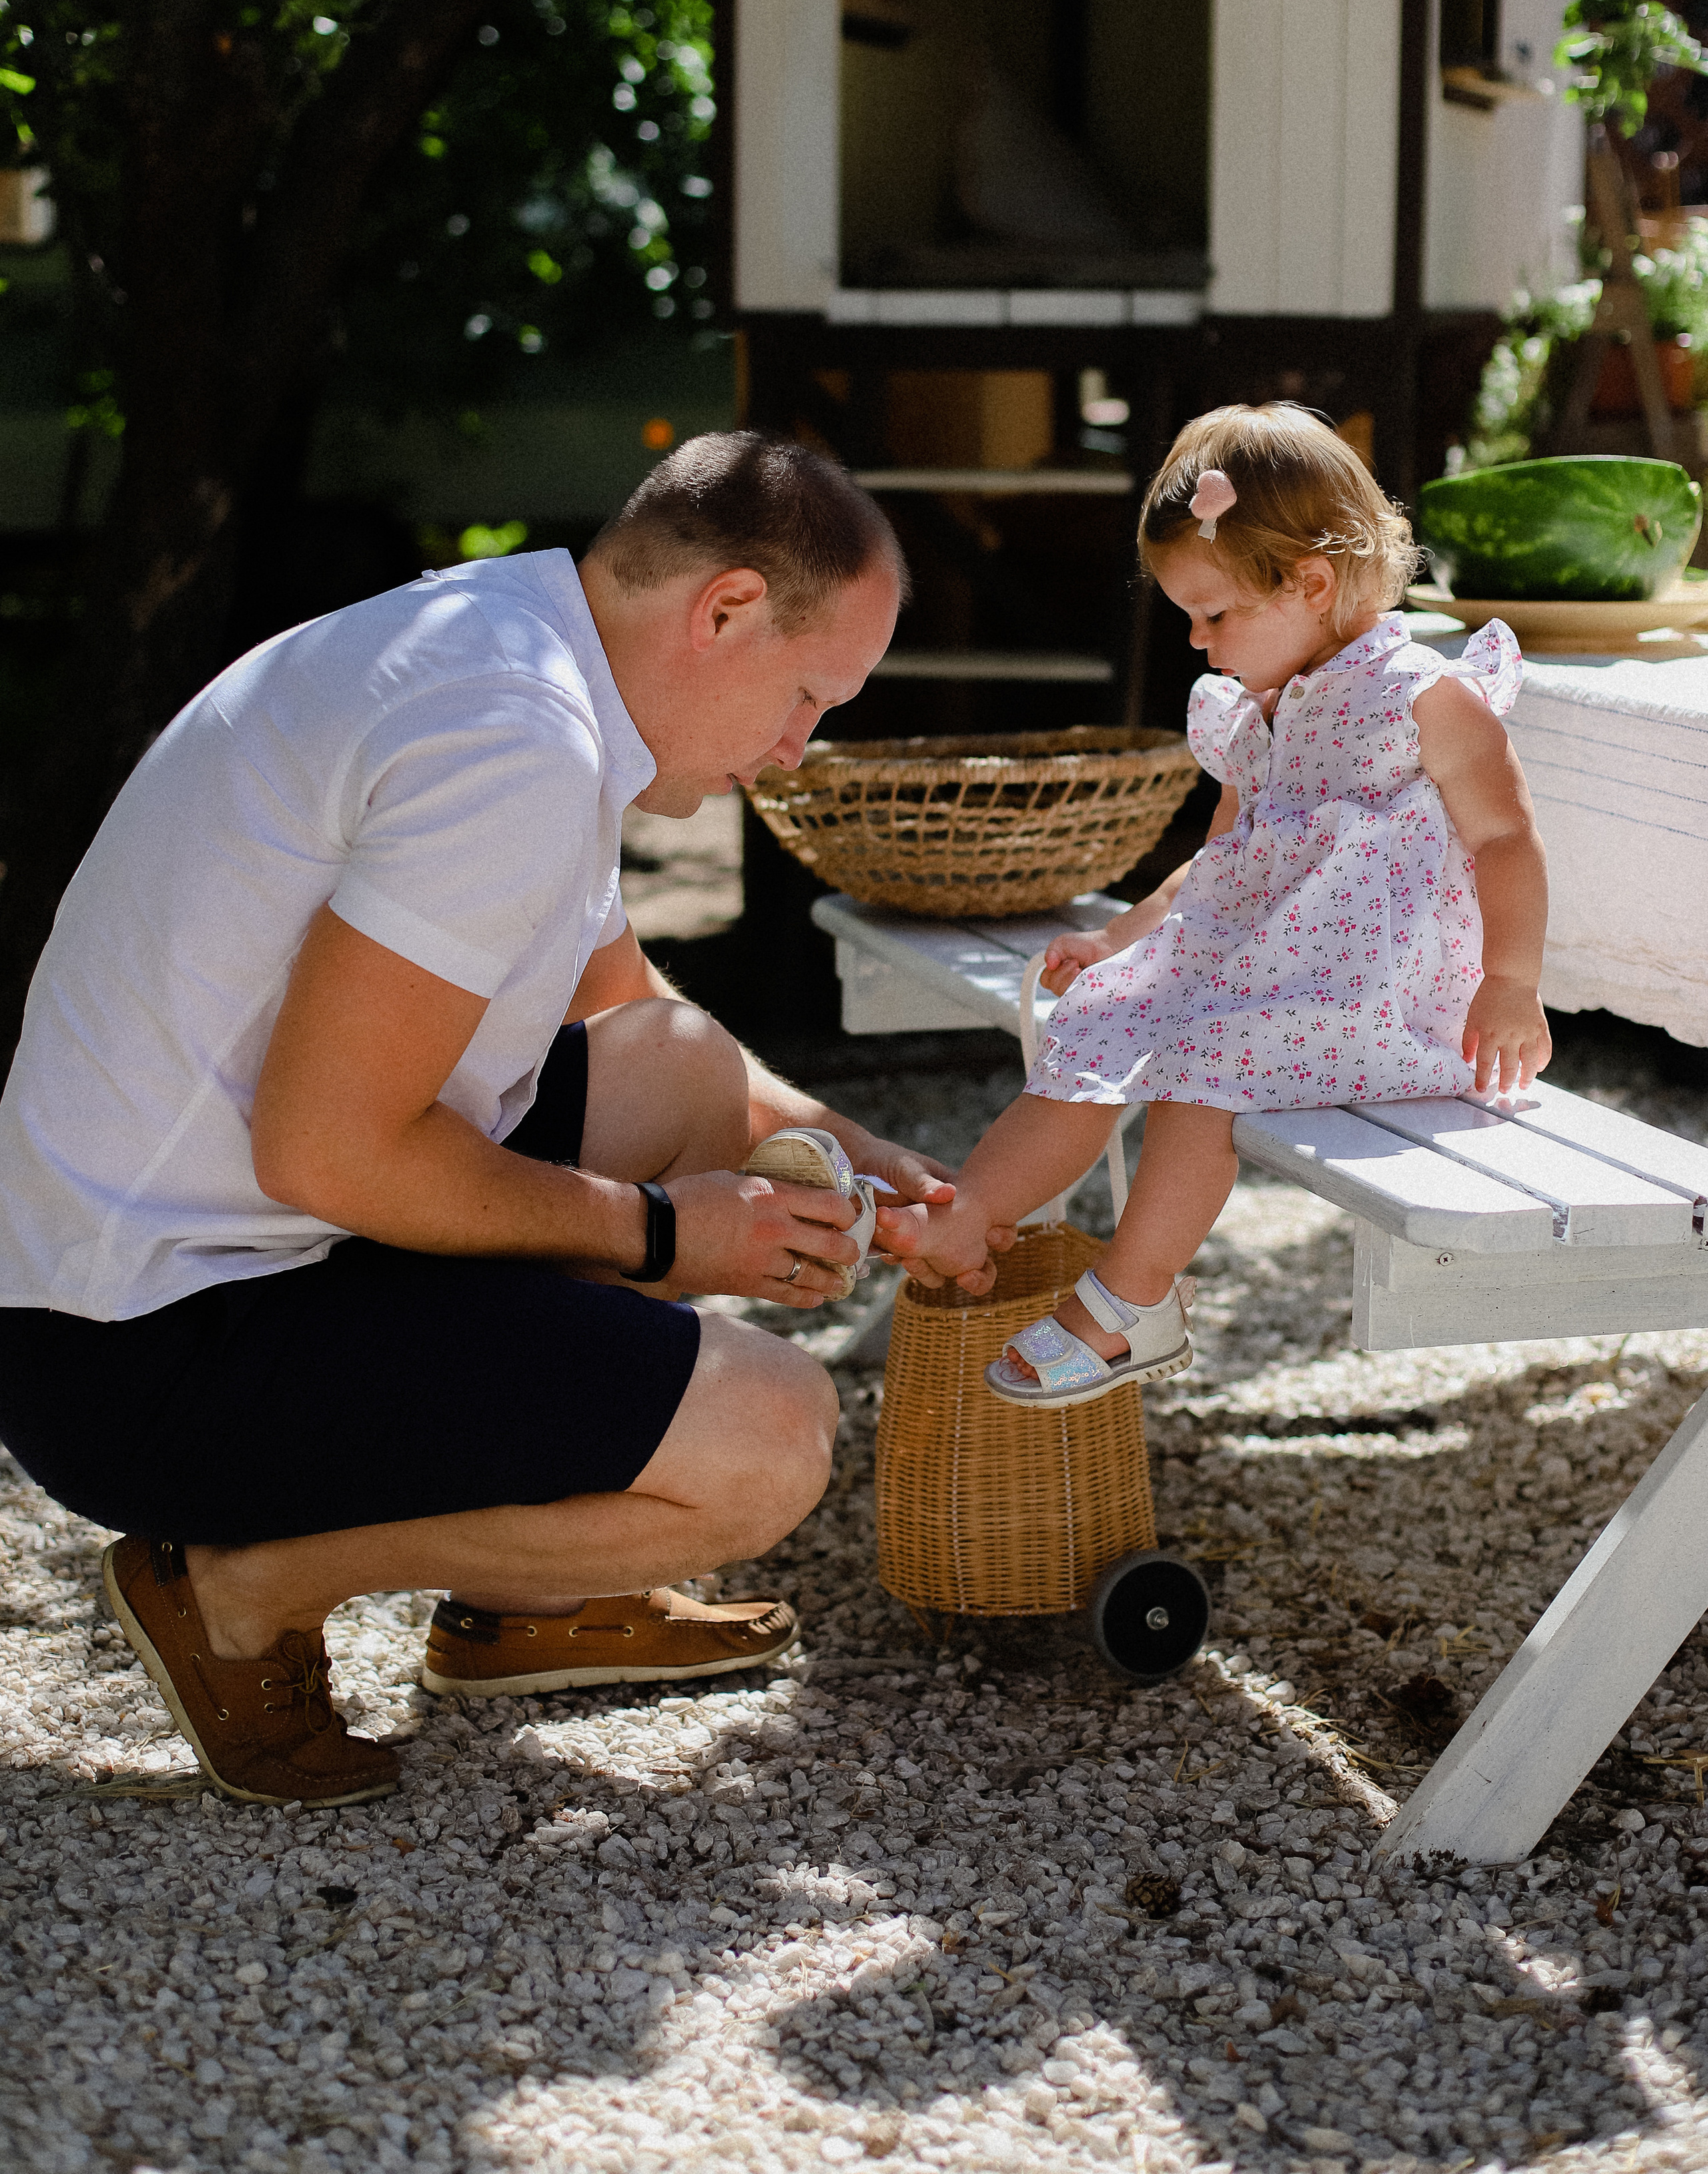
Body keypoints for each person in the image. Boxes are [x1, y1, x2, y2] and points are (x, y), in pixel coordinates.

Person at [0, 432, 967, 1808]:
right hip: (144, 1350)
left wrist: (844, 1143)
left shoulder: (520, 643)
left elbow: (621, 999)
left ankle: (520, 1606)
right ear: (728, 609)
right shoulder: (513, 737)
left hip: (177, 1257)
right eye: (807, 699)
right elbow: (330, 1153)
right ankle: (233, 1585)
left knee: (684, 1072)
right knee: (768, 1445)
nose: (794, 753)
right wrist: (658, 1239)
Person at [897, 402, 1550, 1407]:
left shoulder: (1425, 697)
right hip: (1267, 974)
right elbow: (1223, 863)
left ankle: (1130, 1304)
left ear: (1313, 583)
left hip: (1379, 1003)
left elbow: (1506, 837)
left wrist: (1510, 982)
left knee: (1205, 1063)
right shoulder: (1261, 711)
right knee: (1105, 1014)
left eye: (1215, 615)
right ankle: (971, 1211)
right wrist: (1123, 938)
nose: (1198, 643)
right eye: (1188, 619)